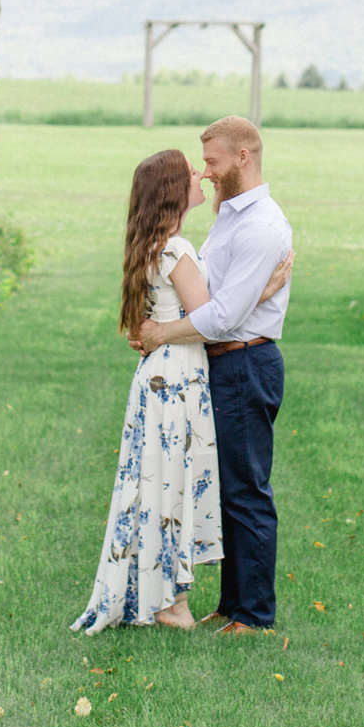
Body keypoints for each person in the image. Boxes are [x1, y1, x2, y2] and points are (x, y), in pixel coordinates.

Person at [73, 148, 290, 633]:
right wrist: (266, 288)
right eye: (194, 171)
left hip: (164, 374)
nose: (203, 174)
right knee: (171, 482)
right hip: (179, 378)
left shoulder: (154, 245)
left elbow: (170, 317)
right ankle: (173, 602)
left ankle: (171, 596)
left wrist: (157, 332)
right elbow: (216, 318)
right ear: (175, 190)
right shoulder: (178, 248)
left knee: (158, 481)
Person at [130, 116, 293, 636]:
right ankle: (230, 603)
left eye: (214, 161)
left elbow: (223, 316)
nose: (206, 171)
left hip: (246, 362)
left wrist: (161, 333)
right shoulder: (229, 216)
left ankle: (254, 614)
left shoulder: (262, 225)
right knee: (225, 490)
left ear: (243, 157)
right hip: (219, 362)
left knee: (247, 490)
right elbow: (215, 297)